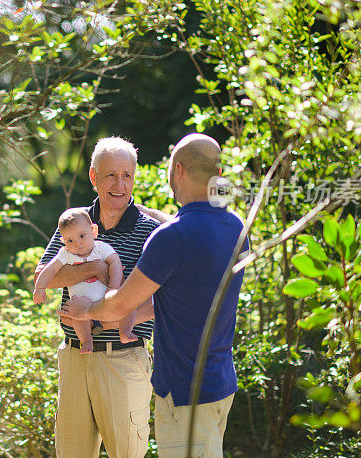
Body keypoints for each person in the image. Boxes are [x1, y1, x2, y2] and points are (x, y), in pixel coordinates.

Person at [60, 133, 248, 458]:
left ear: (178, 170)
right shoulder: (236, 227)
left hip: (184, 393)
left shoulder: (172, 237)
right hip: (220, 386)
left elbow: (122, 303)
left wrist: (86, 308)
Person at [34, 136, 163, 458]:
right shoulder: (76, 222)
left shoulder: (151, 232)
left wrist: (113, 312)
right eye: (110, 175)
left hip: (124, 358)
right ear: (93, 176)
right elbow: (43, 277)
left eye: (127, 176)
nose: (120, 184)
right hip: (75, 357)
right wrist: (97, 268)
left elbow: (164, 301)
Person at [33, 208, 137, 353]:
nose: (78, 243)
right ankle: (86, 341)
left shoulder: (100, 248)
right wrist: (40, 288)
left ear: (93, 231)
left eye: (82, 236)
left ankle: (125, 332)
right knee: (78, 318)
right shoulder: (66, 254)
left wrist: (113, 287)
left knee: (129, 306)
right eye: (70, 240)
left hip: (107, 299)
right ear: (63, 241)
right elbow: (49, 269)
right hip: (80, 305)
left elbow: (116, 263)